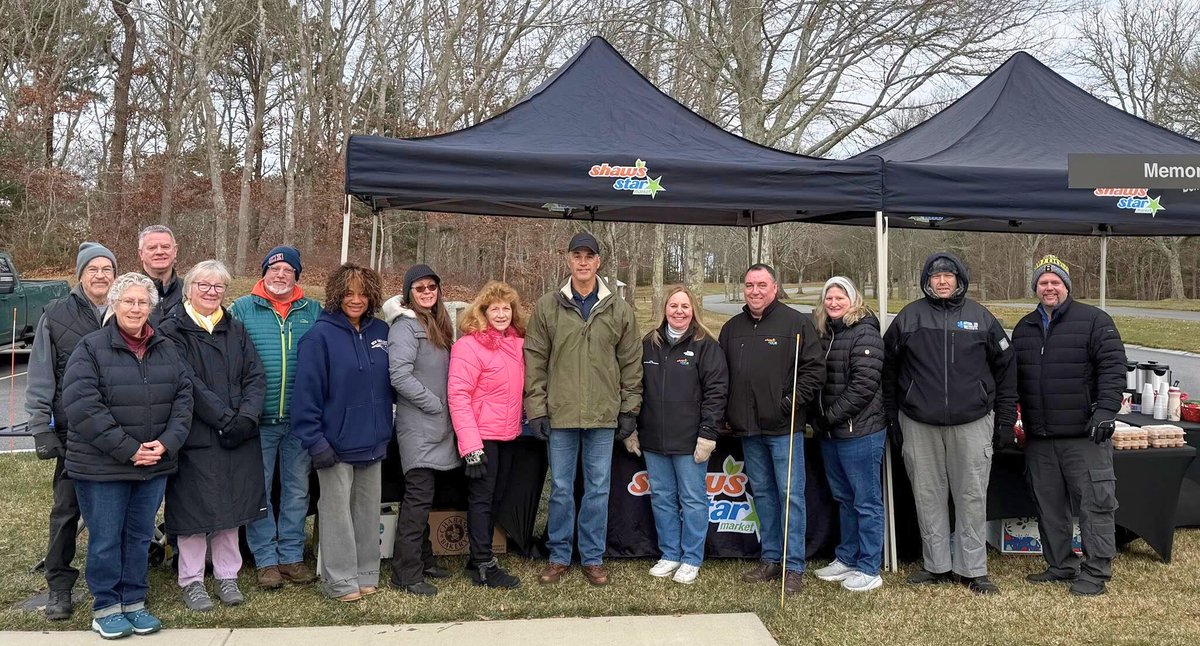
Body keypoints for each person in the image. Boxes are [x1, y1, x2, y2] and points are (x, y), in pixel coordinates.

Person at [62, 272, 193, 639]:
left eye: (142, 303)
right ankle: (106, 606)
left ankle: (134, 601)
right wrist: (129, 449)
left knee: (138, 536)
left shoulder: (166, 347)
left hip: (153, 464)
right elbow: (82, 406)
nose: (136, 308)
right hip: (103, 466)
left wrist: (166, 443)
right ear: (114, 305)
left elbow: (184, 400)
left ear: (150, 307)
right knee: (106, 537)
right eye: (128, 301)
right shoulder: (90, 348)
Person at [882, 251, 1016, 595]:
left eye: (948, 276)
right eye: (935, 276)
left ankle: (972, 569)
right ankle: (936, 565)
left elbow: (1006, 368)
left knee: (970, 495)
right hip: (918, 423)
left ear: (959, 280)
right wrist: (893, 417)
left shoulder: (980, 317)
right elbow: (888, 369)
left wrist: (1003, 420)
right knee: (928, 496)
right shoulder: (909, 317)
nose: (942, 281)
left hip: (972, 422)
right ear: (926, 281)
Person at [525, 231, 642, 586]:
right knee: (560, 487)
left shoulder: (619, 309)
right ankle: (559, 555)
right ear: (568, 260)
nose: (583, 262)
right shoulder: (548, 306)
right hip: (560, 413)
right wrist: (537, 408)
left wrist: (629, 409)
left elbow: (631, 363)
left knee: (598, 488)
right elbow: (535, 359)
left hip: (603, 415)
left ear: (599, 262)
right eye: (577, 255)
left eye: (589, 256)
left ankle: (592, 556)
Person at [1011, 255, 1125, 596]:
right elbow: (1014, 379)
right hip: (1041, 437)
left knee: (1095, 505)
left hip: (1084, 437)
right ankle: (1061, 564)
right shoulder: (1024, 327)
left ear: (1066, 287)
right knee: (1049, 506)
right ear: (1035, 288)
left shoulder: (1094, 320)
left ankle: (1096, 570)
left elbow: (1113, 367)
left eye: (1055, 282)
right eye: (1043, 283)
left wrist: (1106, 409)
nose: (1049, 288)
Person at [159, 260, 267, 611]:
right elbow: (186, 380)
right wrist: (223, 419)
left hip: (238, 434)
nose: (211, 292)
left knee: (231, 508)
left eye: (218, 287)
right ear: (189, 288)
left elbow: (255, 376)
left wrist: (247, 417)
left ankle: (227, 575)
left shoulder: (235, 328)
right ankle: (191, 580)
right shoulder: (173, 329)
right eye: (204, 285)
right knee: (193, 510)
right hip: (197, 434)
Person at [719, 263, 825, 595]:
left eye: (762, 285)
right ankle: (771, 558)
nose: (755, 291)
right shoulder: (732, 328)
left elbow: (814, 370)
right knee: (763, 495)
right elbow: (721, 375)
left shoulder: (796, 323)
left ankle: (793, 566)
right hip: (748, 428)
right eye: (749, 285)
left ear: (774, 287)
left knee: (790, 496)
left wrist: (789, 403)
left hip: (784, 427)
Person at [25, 242, 117, 621]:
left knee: (113, 514)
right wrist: (39, 426)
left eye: (107, 269)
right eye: (92, 268)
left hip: (118, 433)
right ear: (80, 274)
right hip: (71, 433)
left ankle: (116, 579)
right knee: (66, 512)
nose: (100, 275)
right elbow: (41, 375)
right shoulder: (57, 314)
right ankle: (59, 585)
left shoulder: (127, 308)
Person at [291, 263, 394, 602]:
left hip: (373, 440)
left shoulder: (381, 331)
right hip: (333, 445)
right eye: (349, 293)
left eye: (363, 293)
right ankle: (340, 581)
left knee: (366, 514)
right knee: (337, 516)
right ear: (336, 294)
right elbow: (305, 398)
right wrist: (315, 441)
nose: (356, 299)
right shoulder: (318, 337)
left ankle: (366, 573)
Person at [230, 246, 322, 590]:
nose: (280, 274)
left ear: (297, 275)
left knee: (297, 491)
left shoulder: (312, 310)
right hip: (259, 420)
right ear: (263, 272)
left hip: (299, 421)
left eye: (288, 269)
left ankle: (292, 556)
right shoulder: (241, 308)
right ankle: (266, 559)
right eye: (274, 268)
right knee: (261, 491)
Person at [629, 286, 727, 585]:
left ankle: (691, 557)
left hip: (690, 441)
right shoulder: (648, 344)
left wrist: (707, 434)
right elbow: (634, 388)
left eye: (685, 306)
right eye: (674, 306)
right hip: (654, 439)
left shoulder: (706, 346)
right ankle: (670, 553)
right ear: (664, 309)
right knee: (661, 498)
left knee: (693, 500)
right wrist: (631, 427)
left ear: (693, 309)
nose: (679, 311)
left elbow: (716, 392)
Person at [382, 264, 462, 596]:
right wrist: (435, 404)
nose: (427, 292)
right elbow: (398, 376)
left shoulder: (438, 325)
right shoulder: (404, 328)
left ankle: (425, 559)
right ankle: (406, 573)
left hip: (438, 427)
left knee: (424, 501)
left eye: (431, 287)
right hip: (418, 428)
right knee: (416, 501)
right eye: (420, 288)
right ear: (408, 293)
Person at [447, 280, 526, 589]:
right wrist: (471, 447)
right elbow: (458, 396)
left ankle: (476, 556)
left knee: (496, 499)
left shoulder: (516, 344)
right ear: (482, 312)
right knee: (481, 500)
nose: (502, 314)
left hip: (509, 435)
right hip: (481, 437)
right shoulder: (469, 346)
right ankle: (483, 564)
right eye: (495, 308)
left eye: (507, 308)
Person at [809, 277, 887, 593]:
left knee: (866, 501)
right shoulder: (826, 334)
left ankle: (869, 567)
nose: (834, 302)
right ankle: (848, 557)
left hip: (860, 432)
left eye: (840, 297)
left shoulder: (865, 332)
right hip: (831, 432)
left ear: (853, 299)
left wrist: (828, 417)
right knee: (844, 498)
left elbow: (863, 386)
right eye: (829, 298)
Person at [136, 224, 183, 321]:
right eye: (152, 248)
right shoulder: (126, 291)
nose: (159, 252)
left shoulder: (190, 290)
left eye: (165, 247)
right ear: (141, 253)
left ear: (175, 251)